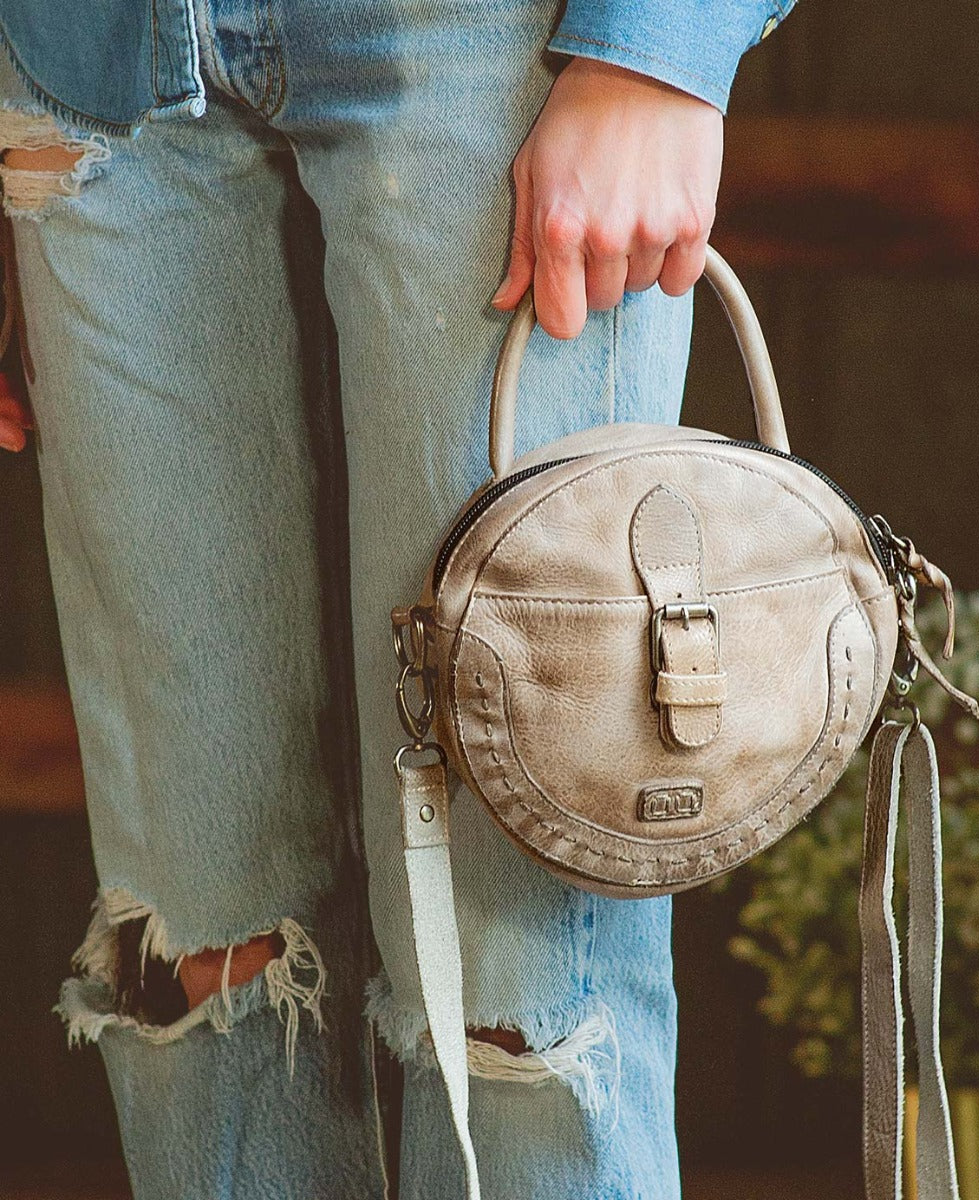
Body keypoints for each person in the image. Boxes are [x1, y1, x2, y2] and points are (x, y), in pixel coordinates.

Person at [0, 0, 796, 1195]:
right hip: (88, 61)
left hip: (491, 44)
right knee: (202, 934)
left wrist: (666, 42)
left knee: (521, 946)